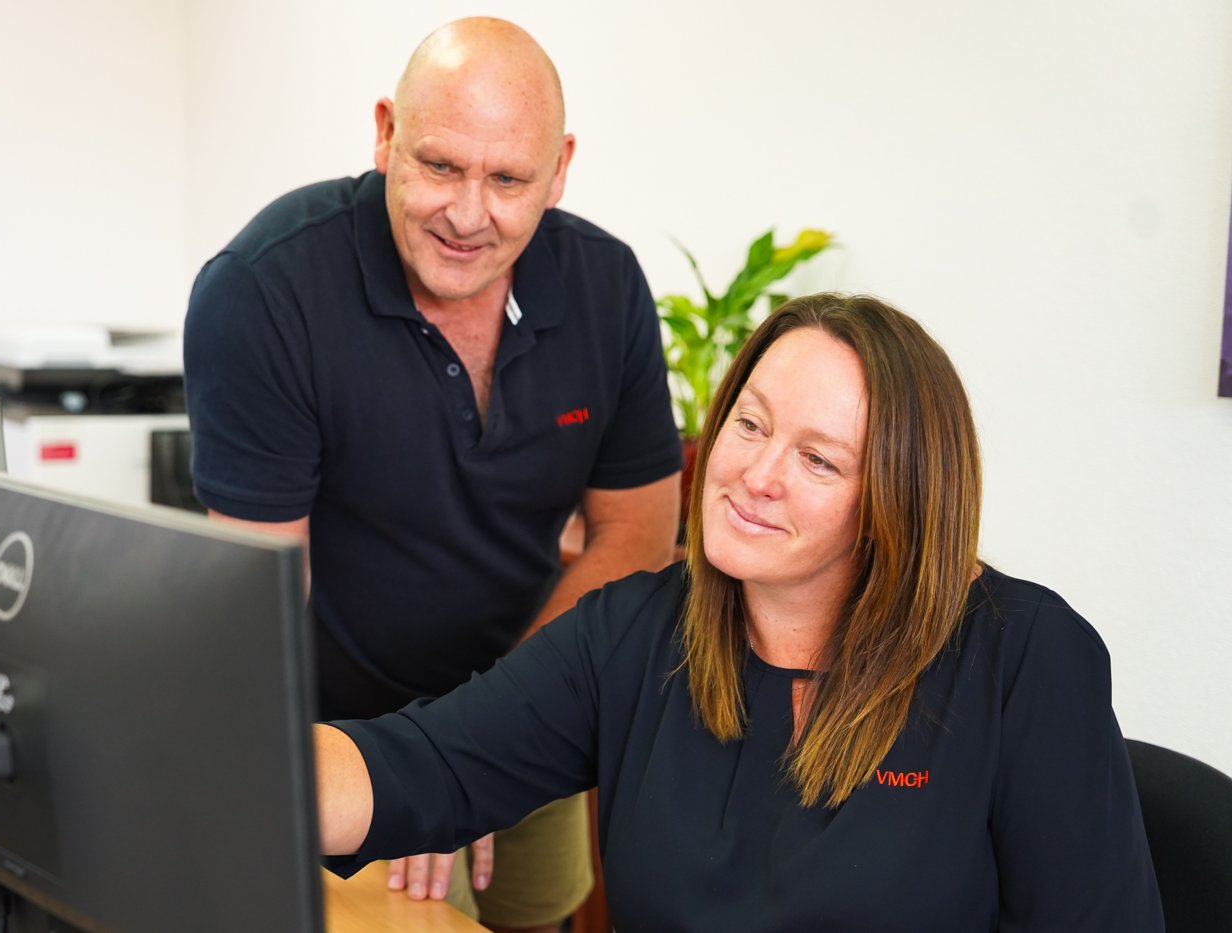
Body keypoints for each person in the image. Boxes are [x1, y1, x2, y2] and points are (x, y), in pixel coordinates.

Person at [314, 293, 1165, 931]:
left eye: (819, 461)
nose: (757, 474)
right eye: (749, 424)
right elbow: (417, 767)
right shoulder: (637, 634)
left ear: (897, 503)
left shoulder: (1024, 657)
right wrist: (211, 753)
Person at [182, 17, 682, 932]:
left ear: (560, 168)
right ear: (384, 133)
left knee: (541, 913)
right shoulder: (267, 290)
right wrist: (416, 770)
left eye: (507, 179)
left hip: (539, 697)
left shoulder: (605, 289)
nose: (467, 213)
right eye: (440, 166)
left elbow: (637, 535)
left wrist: (484, 741)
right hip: (345, 743)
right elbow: (260, 598)